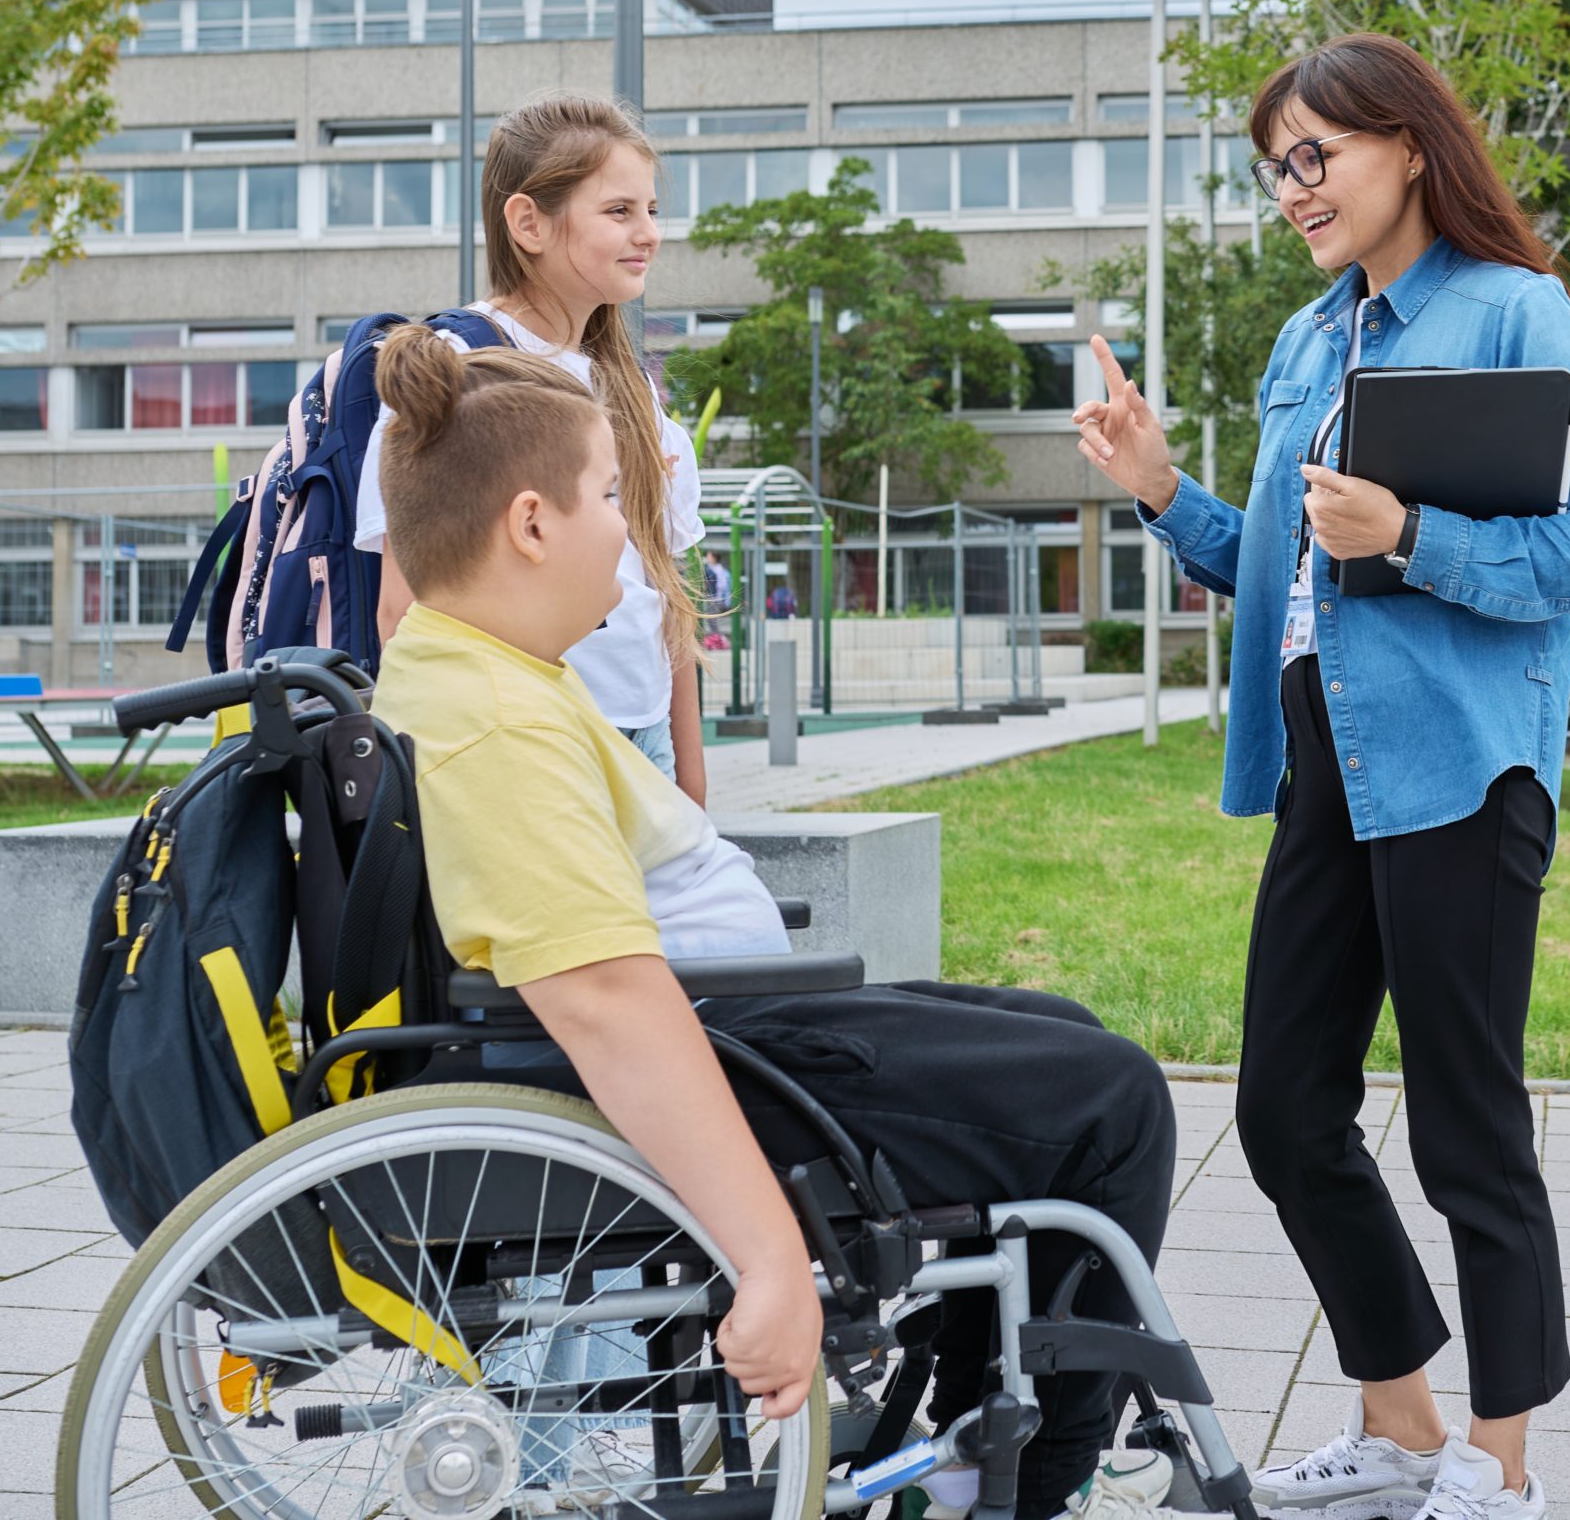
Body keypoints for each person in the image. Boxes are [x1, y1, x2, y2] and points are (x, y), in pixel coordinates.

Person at [361, 323, 1183, 1520]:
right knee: (1108, 1104)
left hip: (732, 1025)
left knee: (1055, 1031)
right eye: (607, 497)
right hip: (713, 1050)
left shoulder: (481, 669)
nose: (631, 539)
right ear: (531, 524)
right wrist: (768, 1268)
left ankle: (964, 1439)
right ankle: (1017, 1492)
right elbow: (601, 999)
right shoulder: (499, 718)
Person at [1073, 35, 1570, 1520]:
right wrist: (1158, 489)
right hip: (1326, 755)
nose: (1291, 189)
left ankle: (1502, 1463)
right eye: (1276, 167)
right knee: (1282, 1105)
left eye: (1314, 155)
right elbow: (1277, 566)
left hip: (1464, 761)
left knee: (1468, 1124)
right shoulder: (1304, 341)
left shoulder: (1519, 313)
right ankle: (1401, 1424)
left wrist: (1409, 534)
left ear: (1407, 144)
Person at [356, 92, 710, 805]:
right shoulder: (457, 369)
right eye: (619, 211)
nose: (649, 233)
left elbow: (664, 603)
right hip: (519, 739)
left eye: (651, 210)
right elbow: (402, 612)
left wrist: (691, 785)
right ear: (528, 223)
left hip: (643, 740)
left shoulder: (634, 388)